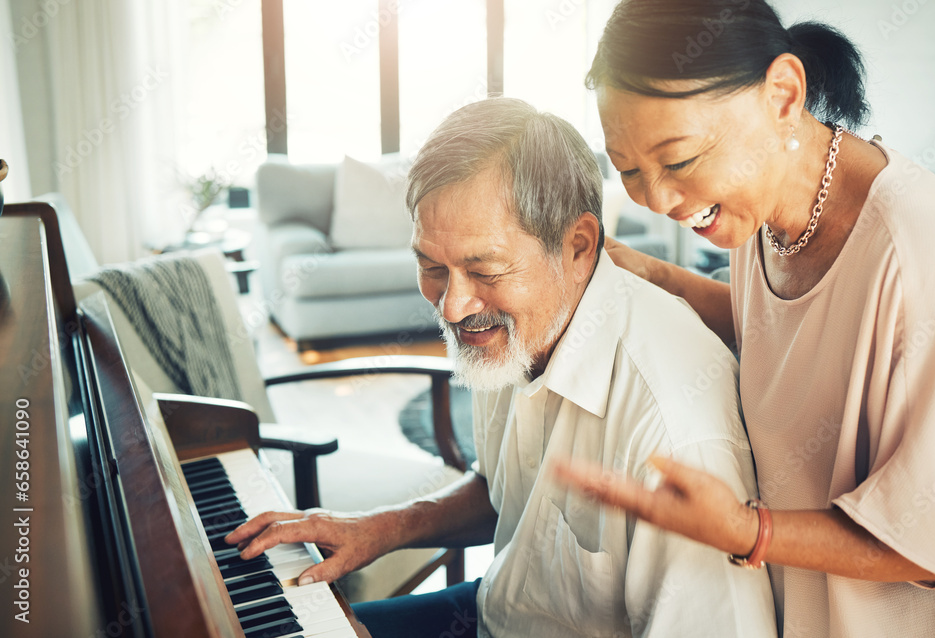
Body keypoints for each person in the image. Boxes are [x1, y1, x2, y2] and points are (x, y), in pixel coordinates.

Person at [226, 97, 776, 637]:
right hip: (498, 608)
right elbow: (502, 493)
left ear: (579, 246)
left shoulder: (675, 430)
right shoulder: (515, 332)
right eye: (431, 266)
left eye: (484, 269)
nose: (452, 307)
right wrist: (383, 528)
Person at [553, 1, 935, 636]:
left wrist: (743, 529)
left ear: (783, 95)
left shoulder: (927, 255)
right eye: (628, 169)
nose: (657, 200)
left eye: (678, 161)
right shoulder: (765, 212)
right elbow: (793, 338)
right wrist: (658, 275)